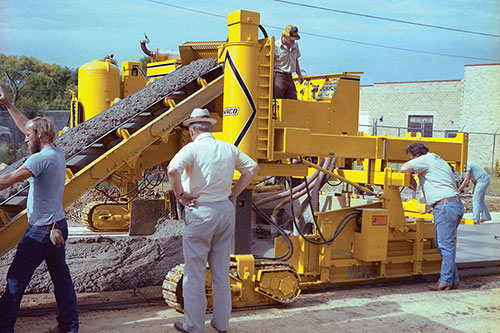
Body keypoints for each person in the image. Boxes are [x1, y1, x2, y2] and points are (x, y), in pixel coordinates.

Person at [167, 108, 259, 333]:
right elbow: (253, 168)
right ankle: (221, 323)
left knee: (195, 273)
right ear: (210, 127)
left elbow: (172, 170)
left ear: (191, 130)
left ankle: (194, 326)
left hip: (200, 213)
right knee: (220, 271)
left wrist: (181, 195)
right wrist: (235, 192)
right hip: (224, 211)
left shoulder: (192, 149)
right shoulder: (227, 148)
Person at [0, 87, 79, 333]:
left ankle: (4, 327)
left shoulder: (39, 160)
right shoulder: (56, 150)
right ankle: (69, 326)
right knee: (61, 277)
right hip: (57, 225)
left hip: (41, 231)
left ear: (40, 135)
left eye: (28, 136)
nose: (24, 139)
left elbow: (7, 180)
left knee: (16, 278)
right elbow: (27, 125)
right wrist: (8, 105)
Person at [400, 142, 464, 291]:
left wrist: (409, 176)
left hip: (445, 206)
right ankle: (453, 279)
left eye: (411, 158)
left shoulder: (426, 159)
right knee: (441, 242)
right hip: (453, 204)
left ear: (417, 156)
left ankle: (445, 281)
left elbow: (404, 168)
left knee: (445, 246)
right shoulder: (438, 160)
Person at [273, 24, 304, 99]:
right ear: (284, 36)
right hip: (278, 76)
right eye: (291, 39)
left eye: (294, 39)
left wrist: (299, 74)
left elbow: (295, 59)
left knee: (293, 100)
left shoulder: (295, 45)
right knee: (278, 100)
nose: (293, 41)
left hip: (290, 77)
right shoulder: (275, 46)